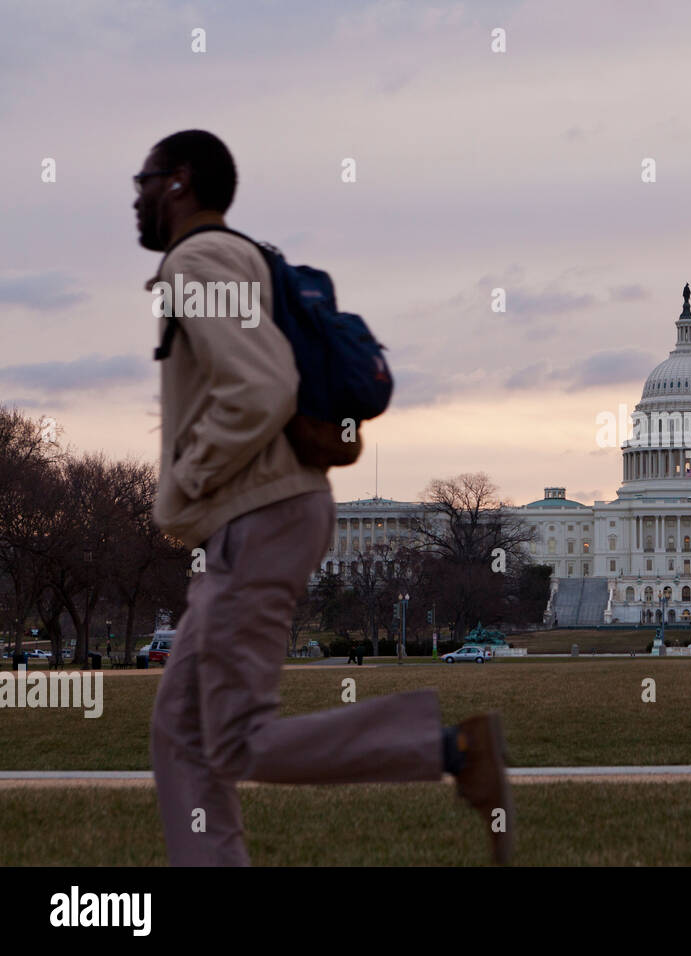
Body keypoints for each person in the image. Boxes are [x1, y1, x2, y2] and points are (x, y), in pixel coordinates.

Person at [138, 130, 512, 866]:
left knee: (236, 738)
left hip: (258, 513)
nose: (135, 195)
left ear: (180, 181)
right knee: (181, 741)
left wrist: (184, 485)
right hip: (266, 513)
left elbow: (260, 388)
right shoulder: (242, 258)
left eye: (144, 179)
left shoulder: (202, 259)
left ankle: (452, 748)